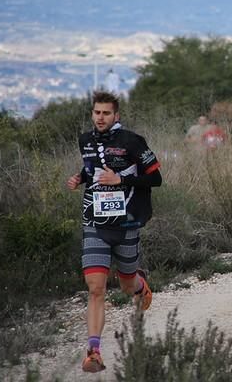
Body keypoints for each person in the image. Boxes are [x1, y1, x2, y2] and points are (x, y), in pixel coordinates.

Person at [66, 91, 162, 373]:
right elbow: (90, 169)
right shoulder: (85, 140)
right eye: (97, 112)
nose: (100, 117)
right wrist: (78, 178)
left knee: (126, 284)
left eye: (106, 113)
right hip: (95, 222)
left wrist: (121, 179)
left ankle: (140, 286)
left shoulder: (133, 141)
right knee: (96, 288)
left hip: (127, 223)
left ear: (116, 115)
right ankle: (93, 352)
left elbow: (156, 178)